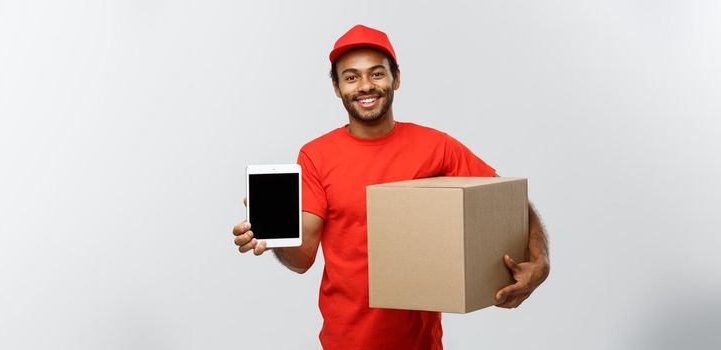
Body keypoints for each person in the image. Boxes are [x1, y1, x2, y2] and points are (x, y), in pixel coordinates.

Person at [231, 24, 550, 349]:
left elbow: (508, 201)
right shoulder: (315, 155)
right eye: (351, 77)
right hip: (345, 342)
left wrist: (540, 261)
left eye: (377, 74)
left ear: (396, 78)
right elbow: (302, 259)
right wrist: (273, 236)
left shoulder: (436, 147)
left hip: (422, 343)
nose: (365, 86)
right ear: (337, 87)